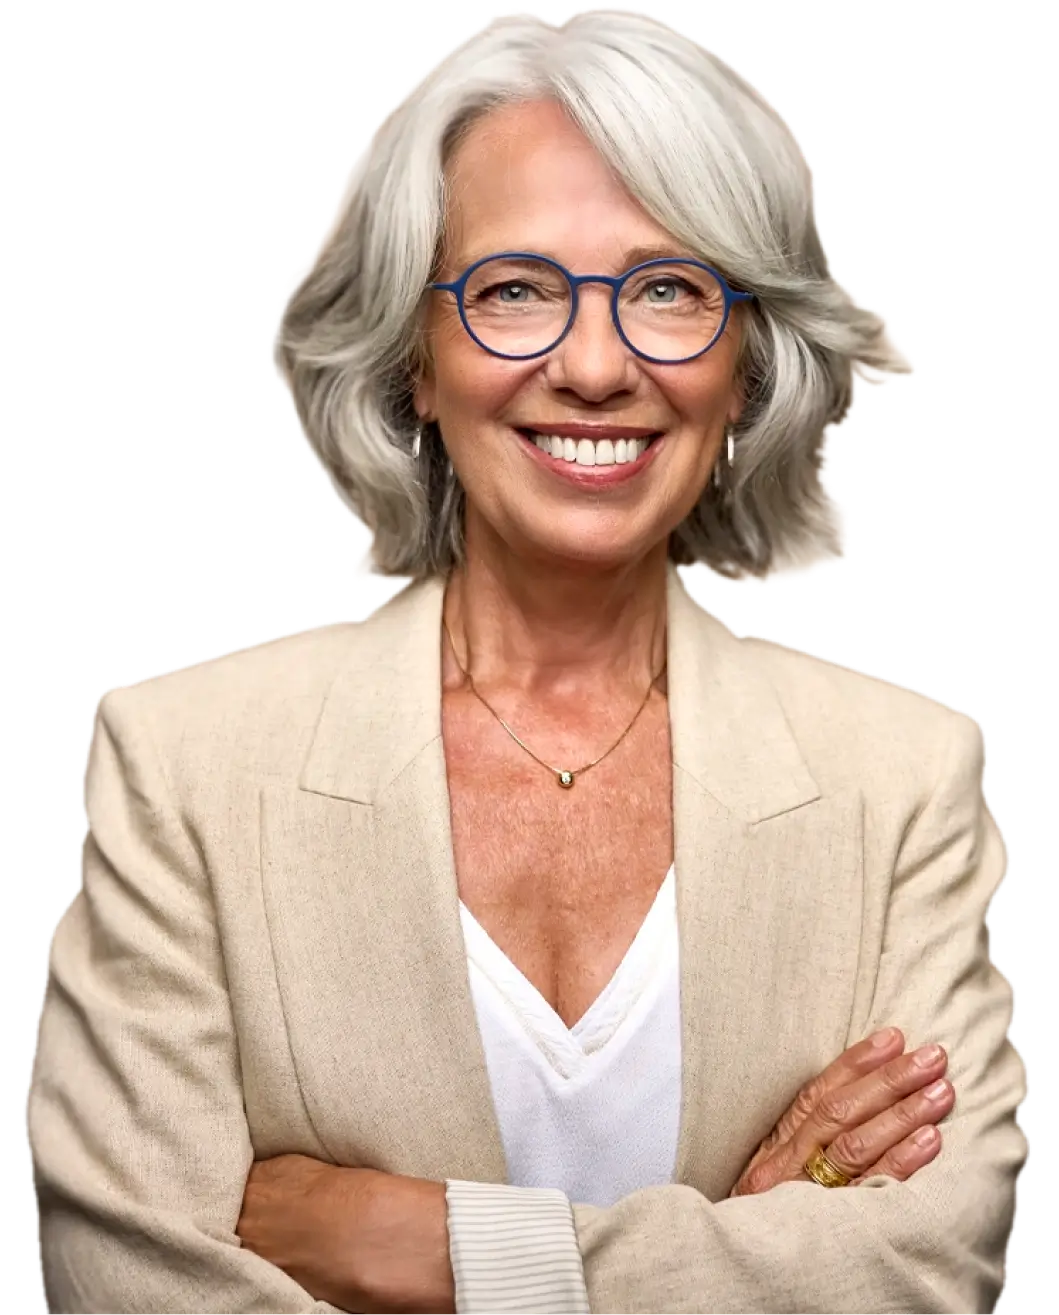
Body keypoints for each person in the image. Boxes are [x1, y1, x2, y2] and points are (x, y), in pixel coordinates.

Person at [27, 8, 1026, 1313]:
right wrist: (743, 1242)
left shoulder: (902, 773)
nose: (597, 364)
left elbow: (929, 1271)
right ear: (415, 360)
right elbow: (126, 1288)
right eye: (512, 292)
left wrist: (456, 1253)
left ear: (742, 363)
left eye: (668, 290)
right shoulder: (185, 762)